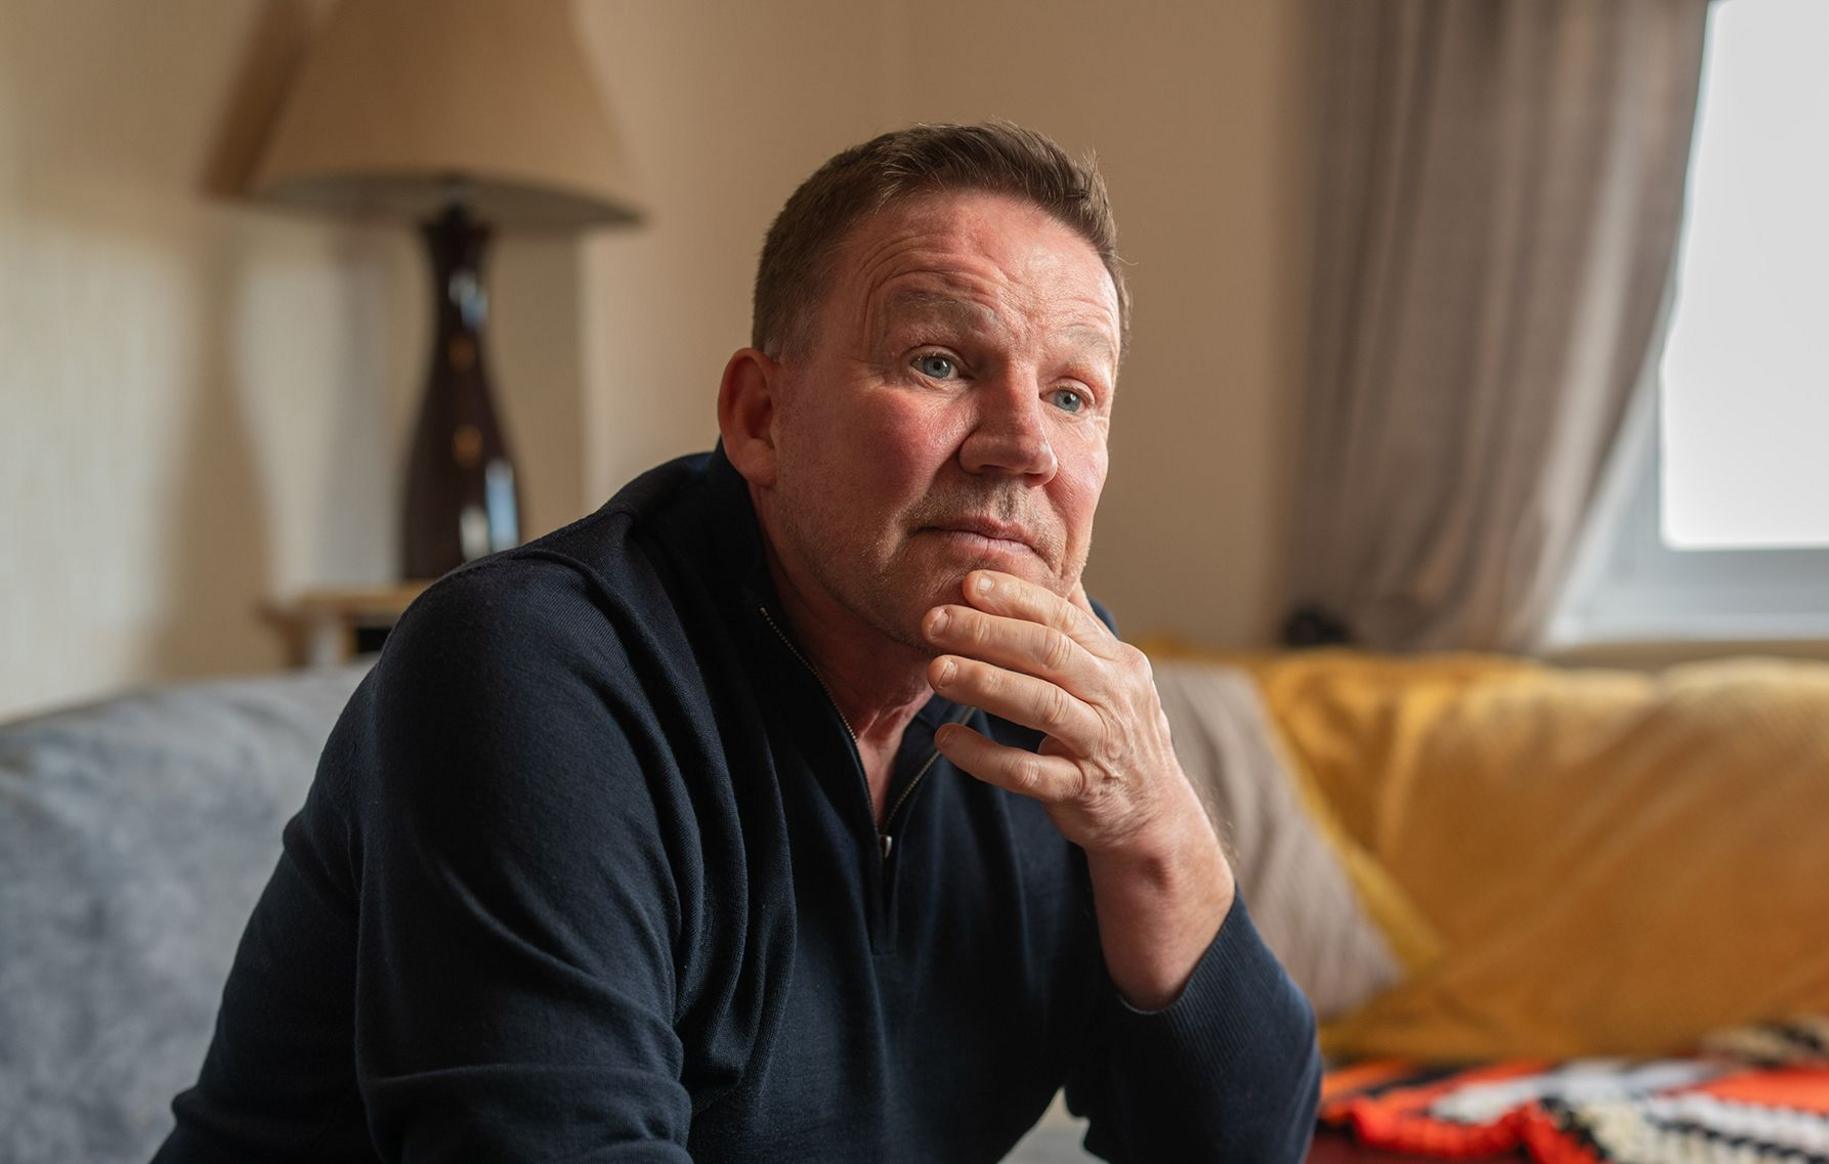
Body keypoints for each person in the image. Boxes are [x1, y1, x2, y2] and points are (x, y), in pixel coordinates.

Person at [156, 122, 1321, 1162]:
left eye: (1074, 395)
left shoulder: (1055, 694)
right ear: (759, 417)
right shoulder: (529, 668)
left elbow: (1239, 1142)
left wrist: (1152, 820)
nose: (1023, 444)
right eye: (939, 362)